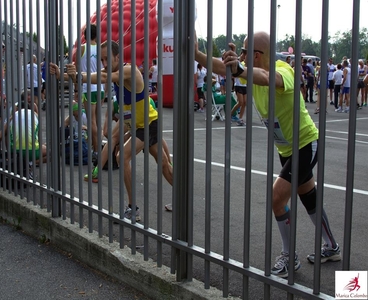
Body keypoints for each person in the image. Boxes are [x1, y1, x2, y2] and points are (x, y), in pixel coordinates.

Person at [195, 31, 341, 278]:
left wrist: (240, 70)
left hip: (305, 144)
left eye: (243, 52)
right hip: (286, 149)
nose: (240, 57)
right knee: (309, 198)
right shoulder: (250, 72)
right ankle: (332, 247)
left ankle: (289, 256)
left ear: (256, 55)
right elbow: (225, 68)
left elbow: (267, 77)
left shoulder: (283, 70)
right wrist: (198, 54)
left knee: (276, 199)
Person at [49, 40, 173, 222]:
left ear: (118, 57)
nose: (104, 64)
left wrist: (79, 77)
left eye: (107, 59)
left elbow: (104, 78)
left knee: (122, 156)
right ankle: (180, 198)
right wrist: (63, 75)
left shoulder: (129, 71)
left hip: (148, 124)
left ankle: (132, 209)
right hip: (136, 124)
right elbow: (91, 76)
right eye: (102, 60)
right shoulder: (110, 71)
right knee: (163, 164)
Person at [76, 24, 106, 180]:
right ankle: (97, 148)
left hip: (88, 88)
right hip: (99, 88)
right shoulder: (101, 50)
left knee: (92, 121)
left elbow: (75, 71)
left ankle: (96, 150)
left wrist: (76, 89)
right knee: (96, 121)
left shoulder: (82, 49)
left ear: (85, 35)